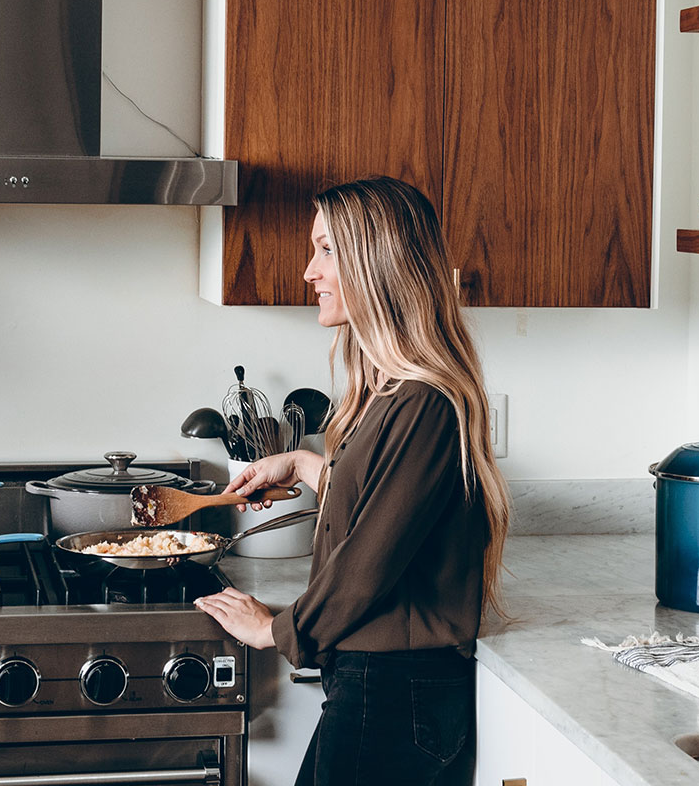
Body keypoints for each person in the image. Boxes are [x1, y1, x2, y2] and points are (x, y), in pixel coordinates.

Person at [194, 175, 511, 786]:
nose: (309, 271)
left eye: (326, 250)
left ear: (379, 264)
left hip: (395, 690)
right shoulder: (391, 394)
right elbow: (384, 498)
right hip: (384, 684)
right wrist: (304, 464)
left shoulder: (423, 402)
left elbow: (370, 559)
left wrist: (277, 629)